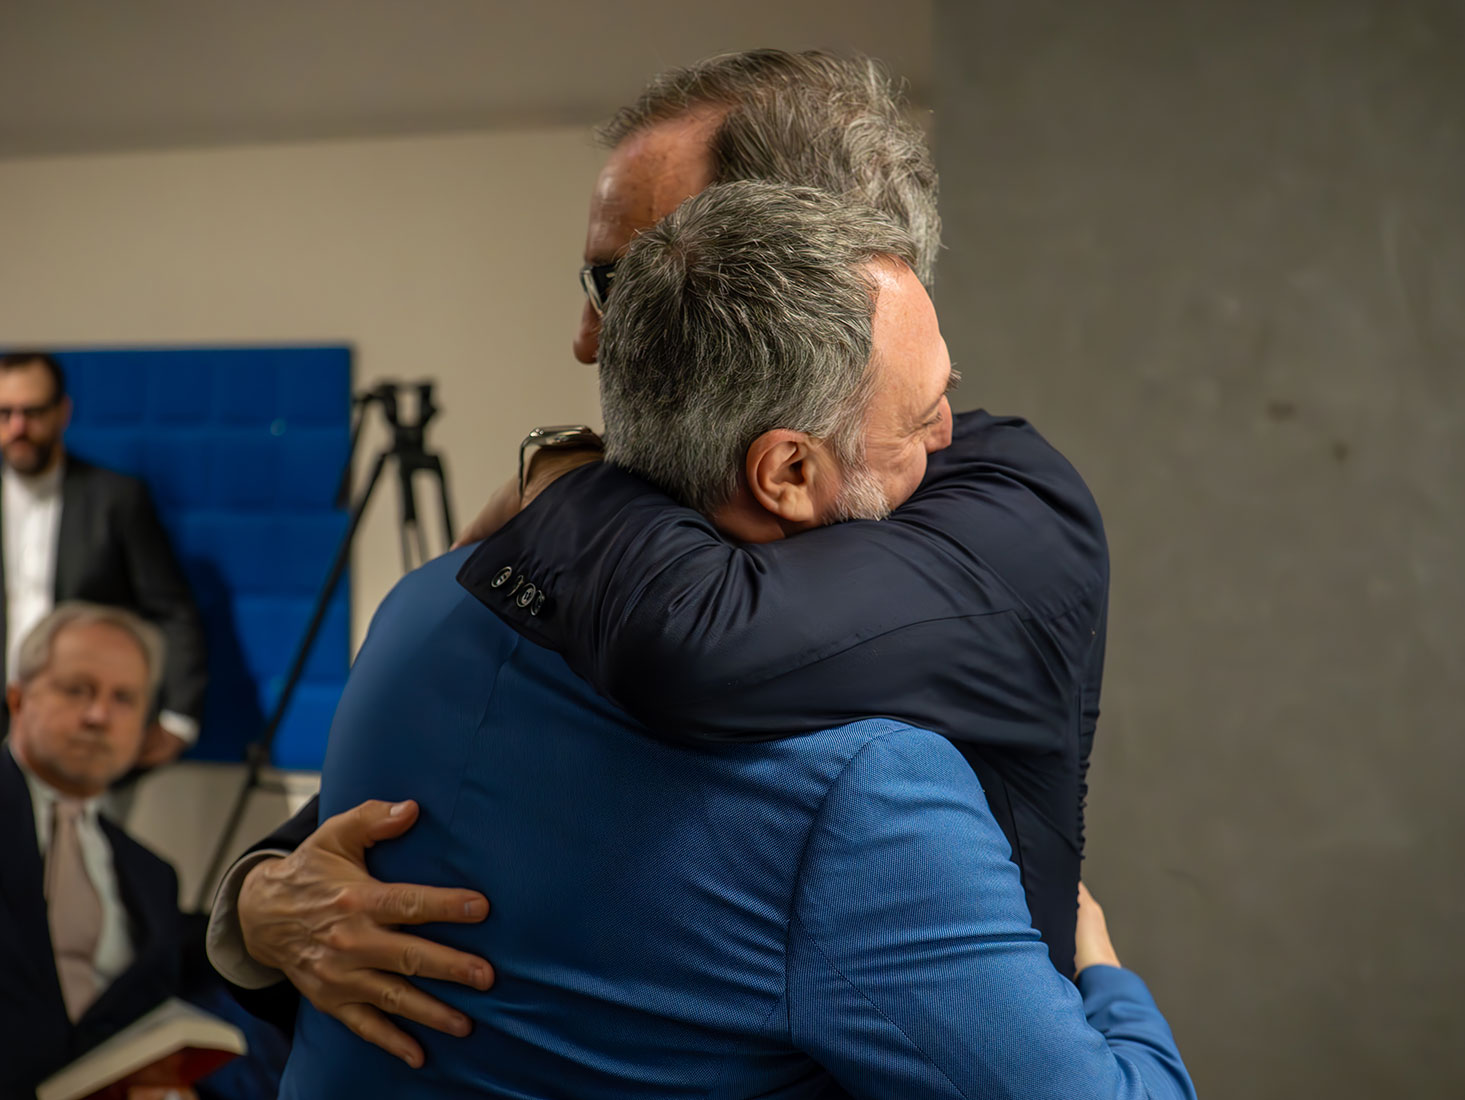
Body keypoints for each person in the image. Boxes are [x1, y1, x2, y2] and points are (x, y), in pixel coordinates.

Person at [208, 48, 1104, 1061]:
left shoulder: (999, 508)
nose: (590, 338)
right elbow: (426, 786)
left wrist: (560, 480)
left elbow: (691, 636)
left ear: (796, 254)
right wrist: (259, 899)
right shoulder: (593, 530)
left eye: (631, 279)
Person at [0, 602, 187, 1097]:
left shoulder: (154, 877)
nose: (99, 716)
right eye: (77, 690)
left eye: (124, 699)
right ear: (17, 699)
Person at [0, 351, 207, 766]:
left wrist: (178, 718)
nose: (18, 427)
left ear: (62, 412)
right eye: (5, 413)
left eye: (32, 412)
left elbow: (172, 611)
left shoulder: (116, 498)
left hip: (88, 720)